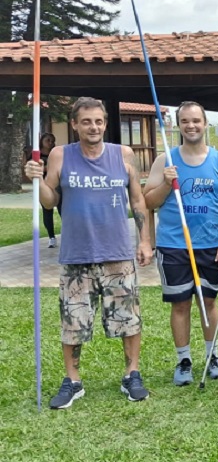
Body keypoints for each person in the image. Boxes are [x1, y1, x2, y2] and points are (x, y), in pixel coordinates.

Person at [23, 97, 153, 409]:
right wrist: (37, 179)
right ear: (75, 124)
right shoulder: (60, 155)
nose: (93, 127)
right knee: (73, 321)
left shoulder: (122, 155)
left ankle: (131, 374)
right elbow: (49, 201)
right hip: (76, 254)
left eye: (98, 121)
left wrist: (145, 240)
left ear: (105, 124)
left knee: (128, 318)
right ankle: (73, 381)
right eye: (86, 121)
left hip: (117, 253)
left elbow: (138, 201)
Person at [143, 102, 218, 386]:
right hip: (174, 245)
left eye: (196, 121)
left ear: (205, 123)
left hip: (210, 245)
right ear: (178, 125)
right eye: (185, 121)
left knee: (208, 301)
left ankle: (213, 355)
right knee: (180, 304)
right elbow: (148, 202)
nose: (191, 126)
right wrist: (165, 183)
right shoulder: (165, 160)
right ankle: (184, 360)